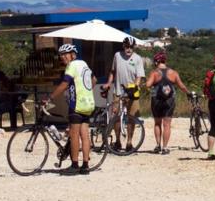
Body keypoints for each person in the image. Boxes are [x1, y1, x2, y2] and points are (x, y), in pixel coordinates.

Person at [44, 43, 96, 175]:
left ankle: (74, 165)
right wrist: (86, 90)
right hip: (88, 103)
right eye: (61, 55)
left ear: (72, 54)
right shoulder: (84, 64)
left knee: (74, 135)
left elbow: (64, 84)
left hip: (77, 104)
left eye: (65, 54)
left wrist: (50, 98)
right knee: (85, 135)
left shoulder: (71, 66)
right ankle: (85, 166)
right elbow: (94, 80)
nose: (63, 57)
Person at [102, 36, 145, 152]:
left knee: (132, 118)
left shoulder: (138, 59)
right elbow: (113, 71)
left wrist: (134, 87)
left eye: (131, 47)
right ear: (123, 46)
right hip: (118, 91)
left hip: (132, 93)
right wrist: (108, 83)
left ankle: (129, 142)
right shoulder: (117, 56)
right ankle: (117, 141)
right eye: (127, 46)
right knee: (115, 117)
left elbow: (139, 76)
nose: (129, 49)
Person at [145, 51, 190, 155]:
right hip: (169, 101)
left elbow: (148, 85)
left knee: (157, 123)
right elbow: (182, 86)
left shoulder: (154, 72)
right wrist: (188, 93)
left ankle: (158, 146)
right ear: (165, 61)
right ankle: (165, 147)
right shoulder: (173, 73)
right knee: (167, 124)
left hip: (156, 100)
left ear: (157, 61)